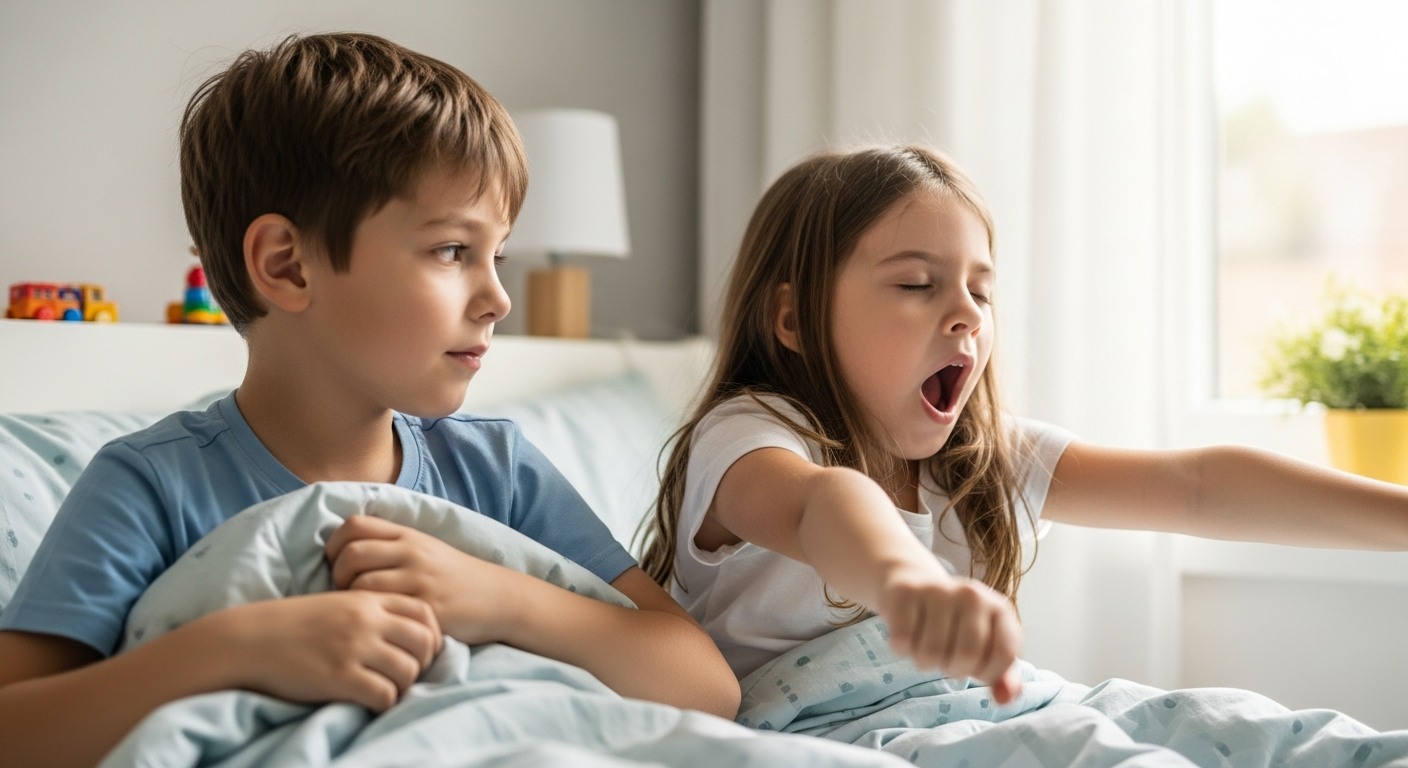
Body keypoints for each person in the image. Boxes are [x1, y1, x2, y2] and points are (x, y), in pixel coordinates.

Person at [0, 32, 738, 767]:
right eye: (453, 251)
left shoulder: (496, 470)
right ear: (287, 266)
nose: (498, 298)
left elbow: (706, 685)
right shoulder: (150, 486)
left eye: (498, 255)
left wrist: (501, 598)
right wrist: (234, 649)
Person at [638, 144, 1408, 705]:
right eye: (916, 283)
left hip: (977, 718)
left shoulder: (975, 459)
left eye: (981, 290)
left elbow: (1195, 487)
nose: (966, 313)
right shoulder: (747, 434)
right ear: (793, 318)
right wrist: (908, 584)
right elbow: (821, 506)